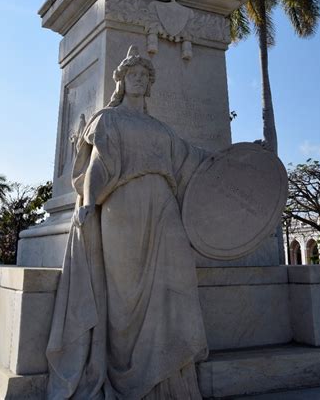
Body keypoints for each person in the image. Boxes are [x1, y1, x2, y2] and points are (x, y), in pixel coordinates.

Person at [46, 46, 208, 399]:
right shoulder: (107, 119)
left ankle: (167, 371)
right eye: (132, 74)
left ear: (149, 84)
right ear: (121, 80)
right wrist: (89, 202)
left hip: (164, 208)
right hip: (122, 207)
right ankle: (129, 376)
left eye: (144, 76)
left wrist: (239, 157)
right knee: (123, 300)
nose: (138, 79)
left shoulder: (161, 129)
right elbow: (96, 167)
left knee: (177, 279)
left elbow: (194, 161)